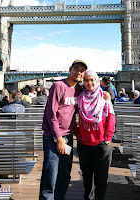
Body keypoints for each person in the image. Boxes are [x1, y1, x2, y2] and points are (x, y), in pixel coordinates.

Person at [39, 59, 88, 200]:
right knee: (50, 173)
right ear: (70, 69)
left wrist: (104, 96)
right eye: (76, 68)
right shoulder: (58, 86)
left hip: (68, 136)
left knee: (65, 173)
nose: (79, 72)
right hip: (53, 136)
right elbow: (51, 114)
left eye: (82, 70)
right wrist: (59, 139)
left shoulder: (79, 89)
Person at [76, 70, 115, 200]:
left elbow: (111, 118)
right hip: (84, 144)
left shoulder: (104, 98)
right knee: (87, 178)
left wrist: (108, 138)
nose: (89, 83)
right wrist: (77, 133)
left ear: (97, 81)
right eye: (86, 80)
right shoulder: (80, 98)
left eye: (92, 80)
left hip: (101, 144)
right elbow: (72, 117)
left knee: (101, 179)